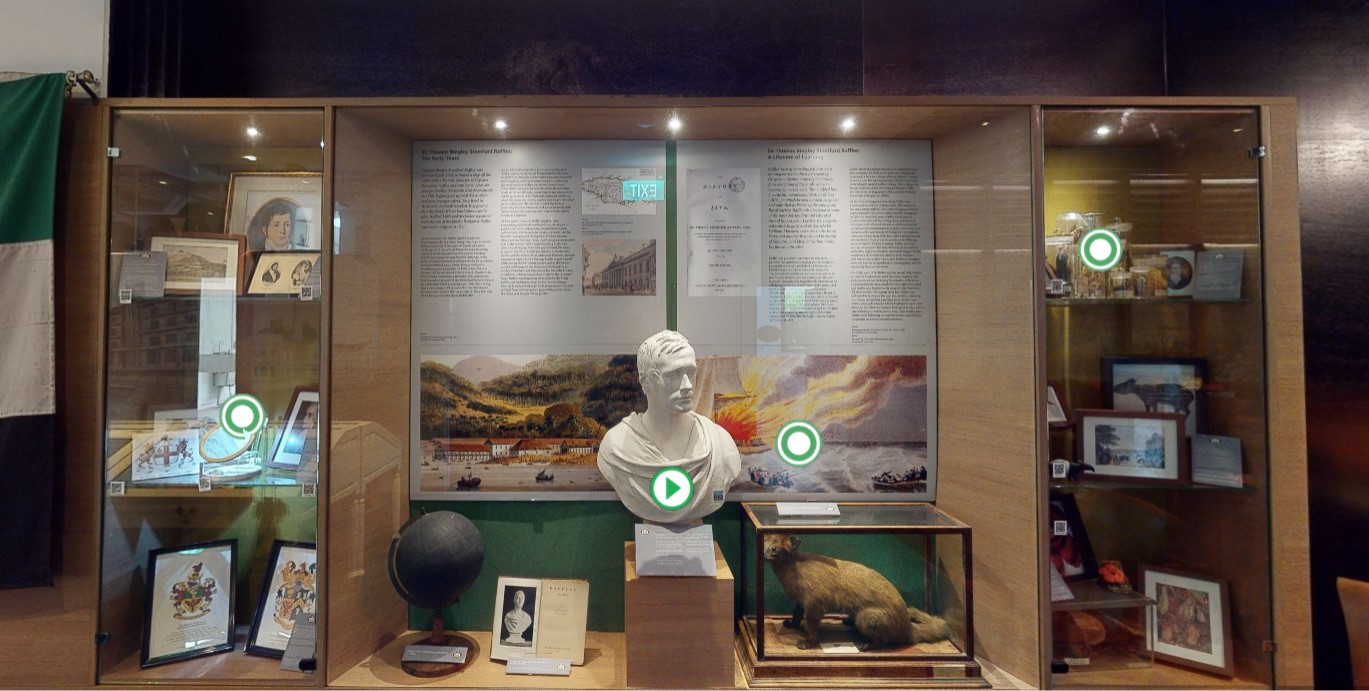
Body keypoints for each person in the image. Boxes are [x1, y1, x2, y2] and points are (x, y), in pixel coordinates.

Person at [596, 330, 742, 524]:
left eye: (691, 372)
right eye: (674, 375)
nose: (687, 385)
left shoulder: (720, 444)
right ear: (645, 382)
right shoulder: (616, 447)